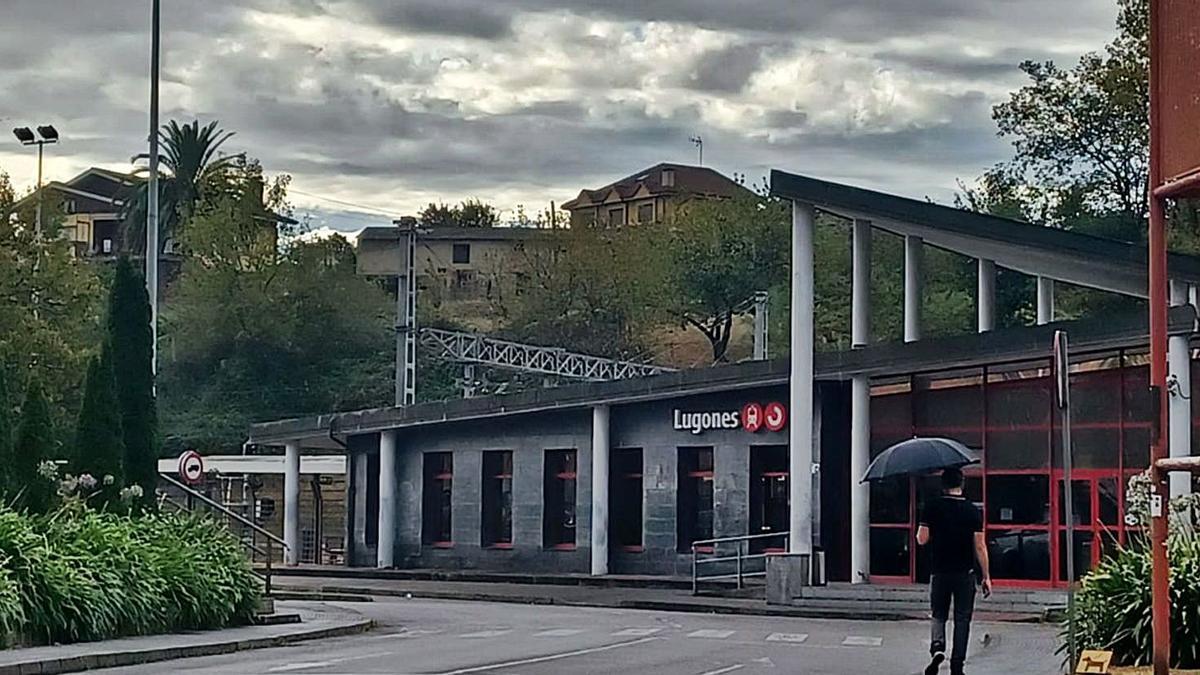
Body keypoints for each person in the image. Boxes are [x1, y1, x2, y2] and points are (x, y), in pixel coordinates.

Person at [916, 467, 992, 675]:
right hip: (965, 574)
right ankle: (957, 664)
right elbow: (980, 546)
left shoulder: (932, 507)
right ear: (962, 484)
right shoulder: (972, 510)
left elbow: (921, 539)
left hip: (939, 571)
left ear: (943, 485)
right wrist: (985, 576)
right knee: (962, 619)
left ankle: (937, 649)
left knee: (938, 614)